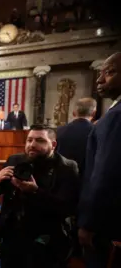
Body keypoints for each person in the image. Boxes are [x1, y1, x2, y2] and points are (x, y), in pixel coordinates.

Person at [0, 125, 80, 268]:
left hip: (47, 240)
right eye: (29, 140)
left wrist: (35, 192)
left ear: (53, 144)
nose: (32, 145)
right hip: (12, 236)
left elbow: (67, 207)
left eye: (40, 140)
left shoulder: (67, 167)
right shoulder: (15, 160)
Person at [78, 52, 121, 268]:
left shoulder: (116, 116)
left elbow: (104, 175)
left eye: (110, 72)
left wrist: (88, 224)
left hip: (106, 227)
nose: (99, 79)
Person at [56, 97, 96, 178]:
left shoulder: (59, 130)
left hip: (62, 178)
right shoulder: (97, 131)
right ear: (93, 113)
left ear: (74, 113)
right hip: (86, 179)